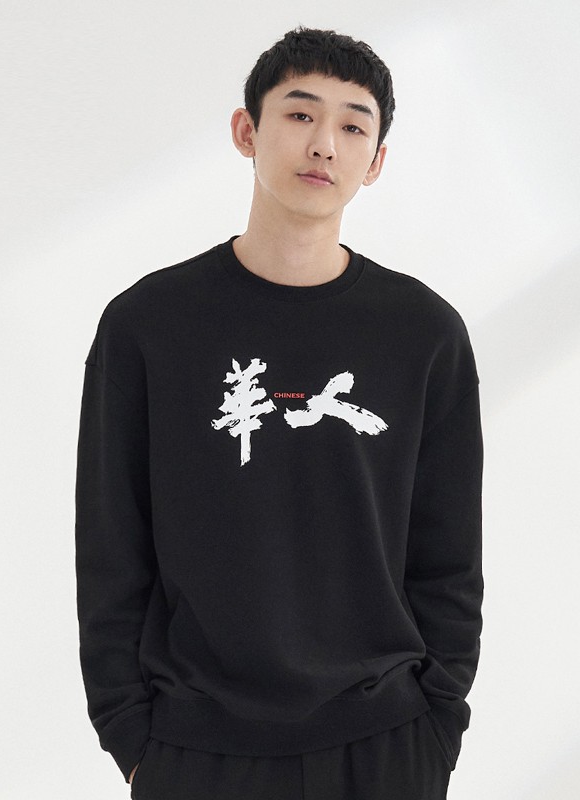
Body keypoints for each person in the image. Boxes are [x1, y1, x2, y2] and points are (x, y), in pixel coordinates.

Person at [75, 25, 483, 800]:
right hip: (196, 746)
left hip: (383, 743)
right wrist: (131, 736)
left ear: (376, 162)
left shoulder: (423, 334)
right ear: (246, 131)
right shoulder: (148, 325)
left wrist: (435, 731)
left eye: (353, 127)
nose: (324, 143)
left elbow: (449, 557)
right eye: (300, 114)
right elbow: (110, 548)